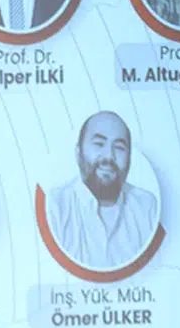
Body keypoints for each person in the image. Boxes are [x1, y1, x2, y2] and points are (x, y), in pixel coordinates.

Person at [46, 111, 158, 269]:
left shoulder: (146, 207)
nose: (109, 156)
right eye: (99, 144)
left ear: (130, 158)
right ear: (78, 153)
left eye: (119, 147)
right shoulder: (55, 206)